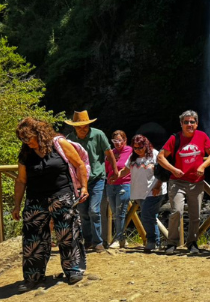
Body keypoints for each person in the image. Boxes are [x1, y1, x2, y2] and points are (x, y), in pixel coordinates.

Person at [12, 118, 87, 291]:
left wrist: (84, 187)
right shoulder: (25, 153)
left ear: (39, 133)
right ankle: (33, 277)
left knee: (68, 233)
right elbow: (21, 180)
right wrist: (17, 205)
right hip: (35, 200)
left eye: (29, 138)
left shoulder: (59, 144)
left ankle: (73, 270)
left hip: (62, 195)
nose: (27, 142)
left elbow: (79, 164)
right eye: (23, 139)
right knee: (33, 238)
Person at [158, 110, 210, 255]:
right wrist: (173, 169)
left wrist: (203, 166)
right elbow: (160, 157)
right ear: (181, 124)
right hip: (177, 181)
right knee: (176, 211)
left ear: (197, 123)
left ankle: (192, 242)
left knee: (195, 215)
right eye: (186, 122)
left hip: (197, 182)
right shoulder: (174, 138)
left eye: (192, 122)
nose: (189, 124)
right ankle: (171, 242)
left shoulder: (202, 136)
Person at [65, 110, 118, 252]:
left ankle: (98, 242)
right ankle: (88, 240)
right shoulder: (70, 139)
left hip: (97, 177)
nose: (83, 129)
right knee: (83, 212)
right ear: (74, 127)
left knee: (94, 210)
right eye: (79, 127)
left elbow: (109, 153)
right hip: (80, 180)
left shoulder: (98, 135)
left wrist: (114, 170)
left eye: (85, 126)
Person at [119, 134, 167, 253]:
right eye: (135, 148)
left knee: (146, 216)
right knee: (151, 217)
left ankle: (152, 241)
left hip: (154, 190)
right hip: (139, 192)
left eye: (140, 147)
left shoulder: (155, 154)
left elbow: (163, 171)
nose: (138, 150)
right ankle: (155, 242)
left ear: (146, 145)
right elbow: (125, 170)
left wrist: (158, 186)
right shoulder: (132, 157)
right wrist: (116, 176)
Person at [105, 130, 133, 248]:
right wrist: (111, 159)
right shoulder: (111, 152)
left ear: (125, 140)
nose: (117, 143)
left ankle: (118, 238)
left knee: (120, 212)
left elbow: (129, 167)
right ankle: (122, 239)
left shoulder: (130, 151)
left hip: (124, 184)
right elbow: (106, 169)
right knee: (115, 213)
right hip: (110, 185)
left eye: (120, 140)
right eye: (114, 141)